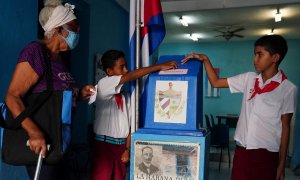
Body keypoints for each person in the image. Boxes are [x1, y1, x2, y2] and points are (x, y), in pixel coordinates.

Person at [182, 35, 297, 180]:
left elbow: (286, 127)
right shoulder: (249, 79)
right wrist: (205, 59)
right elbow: (216, 82)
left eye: (260, 55)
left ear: (275, 57)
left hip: (266, 156)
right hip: (242, 152)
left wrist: (281, 165)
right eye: (254, 54)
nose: (255, 59)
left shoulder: (288, 89)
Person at [4, 0, 94, 179]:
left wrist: (79, 93)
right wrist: (33, 132)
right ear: (59, 29)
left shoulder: (58, 59)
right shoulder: (35, 51)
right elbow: (12, 96)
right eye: (73, 26)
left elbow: (53, 95)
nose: (77, 31)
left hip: (60, 138)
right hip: (42, 140)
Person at [90, 49, 178, 180]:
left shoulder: (126, 96)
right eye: (121, 67)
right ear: (109, 71)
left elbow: (131, 126)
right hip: (104, 146)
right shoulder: (103, 85)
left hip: (121, 147)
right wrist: (159, 66)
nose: (125, 70)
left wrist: (127, 149)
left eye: (125, 66)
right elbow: (130, 76)